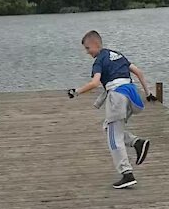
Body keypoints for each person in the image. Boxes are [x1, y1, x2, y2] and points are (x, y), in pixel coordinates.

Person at [67, 30, 156, 188]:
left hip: (118, 97)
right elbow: (139, 72)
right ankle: (137, 142)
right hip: (132, 95)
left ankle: (127, 173)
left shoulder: (99, 61)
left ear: (95, 44)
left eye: (88, 48)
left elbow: (95, 83)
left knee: (113, 139)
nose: (87, 52)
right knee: (111, 130)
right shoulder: (118, 55)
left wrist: (76, 92)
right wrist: (148, 94)